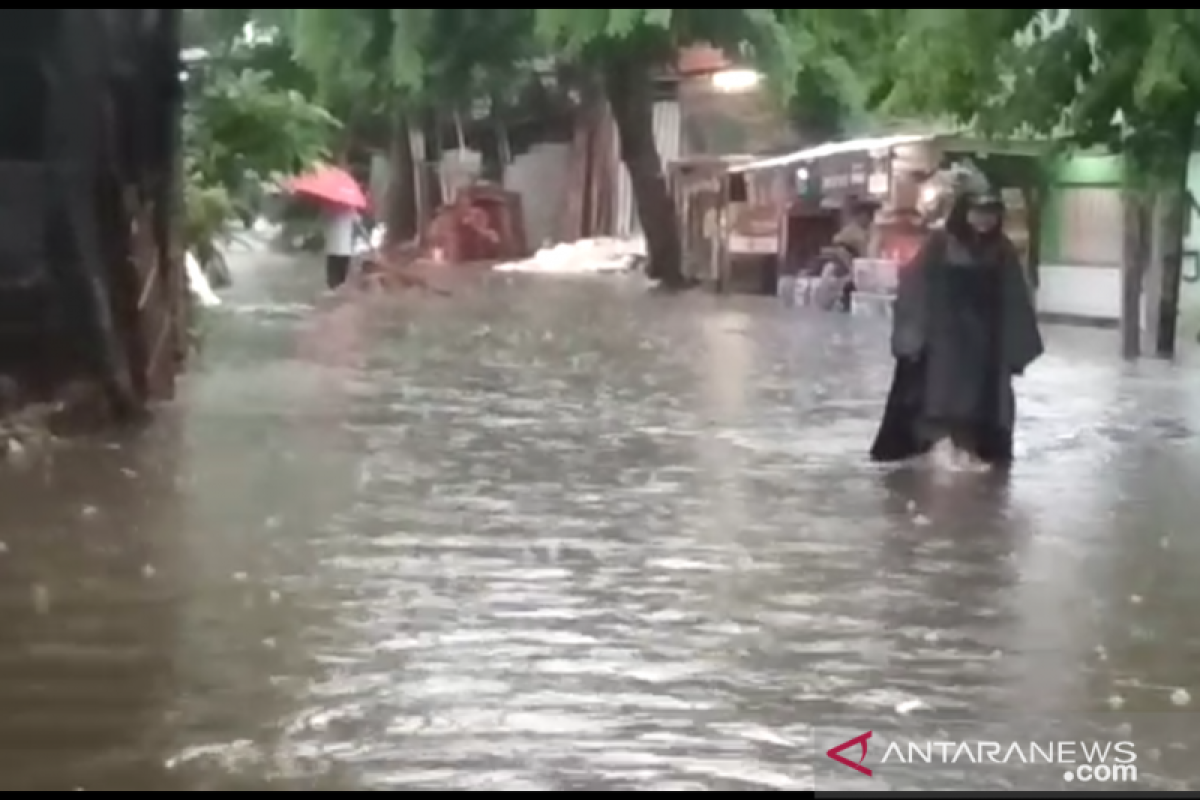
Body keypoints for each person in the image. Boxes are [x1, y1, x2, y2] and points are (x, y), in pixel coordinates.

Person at [869, 187, 1043, 468]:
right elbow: (915, 286)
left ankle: (971, 460)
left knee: (982, 407)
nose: (985, 220)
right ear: (965, 213)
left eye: (991, 214)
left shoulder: (1002, 249)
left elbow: (1015, 297)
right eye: (978, 213)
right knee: (937, 401)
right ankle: (937, 457)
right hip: (943, 339)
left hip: (986, 343)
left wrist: (1015, 348)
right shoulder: (939, 244)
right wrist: (913, 336)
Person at [323, 204, 359, 289]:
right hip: (344, 250)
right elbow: (358, 222)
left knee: (332, 279)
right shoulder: (351, 209)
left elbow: (323, 221)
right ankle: (339, 293)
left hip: (332, 248)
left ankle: (333, 291)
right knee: (342, 278)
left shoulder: (328, 208)